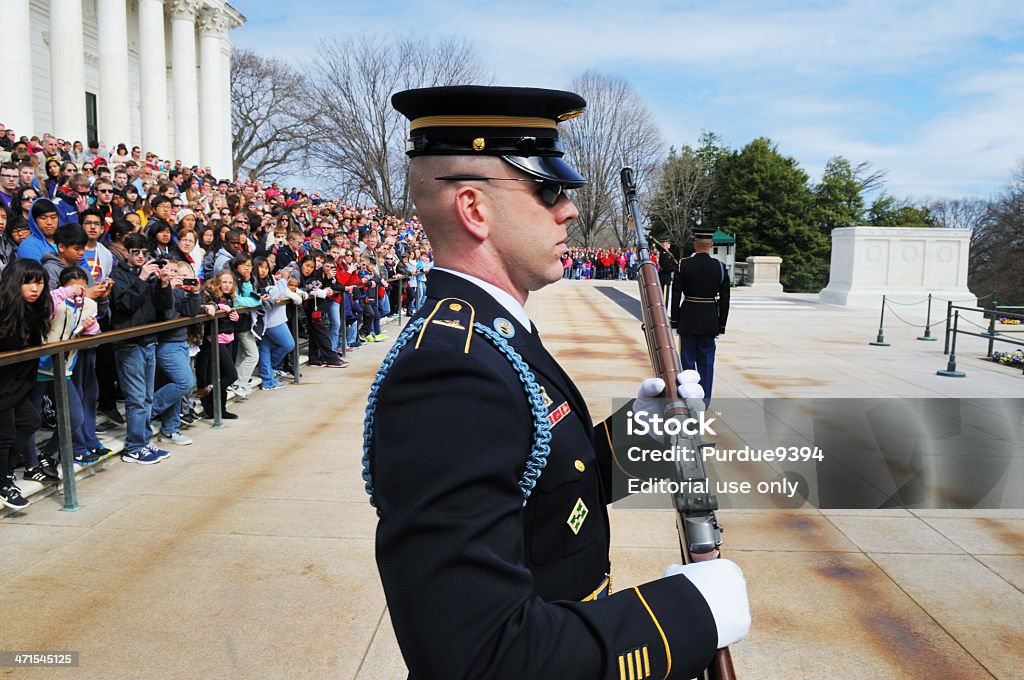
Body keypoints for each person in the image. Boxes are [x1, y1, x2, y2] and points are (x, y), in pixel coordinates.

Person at [363, 86, 749, 679]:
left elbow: (536, 485)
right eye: (547, 191)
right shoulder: (449, 372)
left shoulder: (488, 334)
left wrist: (636, 440)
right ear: (474, 209)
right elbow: (479, 657)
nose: (568, 209)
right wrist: (684, 616)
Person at [0, 259, 53, 508]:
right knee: (6, 434)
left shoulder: (33, 310)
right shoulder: (3, 309)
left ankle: (7, 471)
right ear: (14, 283)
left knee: (30, 422)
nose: (35, 289)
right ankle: (2, 482)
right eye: (28, 283)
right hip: (3, 384)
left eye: (39, 283)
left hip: (18, 383)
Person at [670, 228, 730, 407]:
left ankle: (689, 400)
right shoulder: (719, 267)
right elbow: (725, 300)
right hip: (710, 318)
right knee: (707, 363)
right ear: (711, 245)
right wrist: (721, 325)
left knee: (687, 361)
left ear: (695, 245)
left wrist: (674, 321)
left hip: (688, 317)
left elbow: (676, 294)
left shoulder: (684, 264)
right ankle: (704, 402)